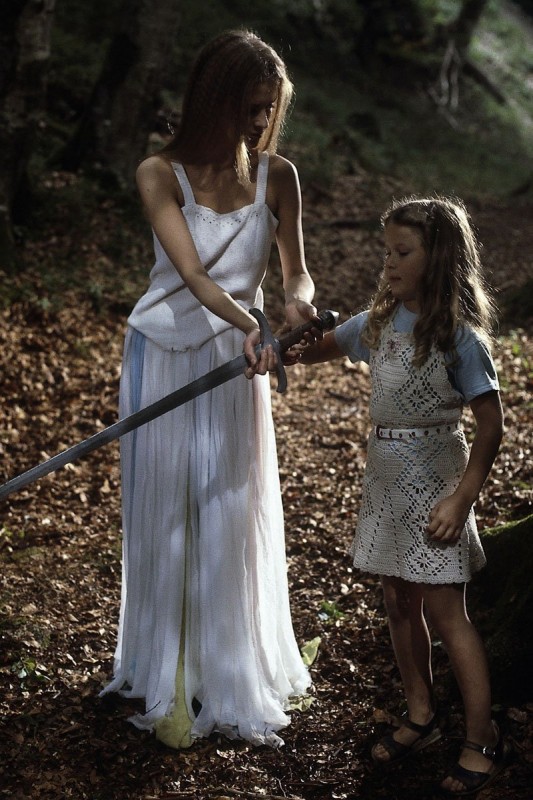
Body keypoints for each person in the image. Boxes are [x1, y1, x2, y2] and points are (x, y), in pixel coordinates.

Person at [100, 28, 318, 749]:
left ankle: (223, 667)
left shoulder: (279, 176)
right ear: (213, 100)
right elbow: (193, 275)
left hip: (236, 361)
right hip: (164, 353)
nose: (260, 122)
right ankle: (167, 674)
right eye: (250, 107)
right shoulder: (159, 173)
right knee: (169, 512)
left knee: (225, 506)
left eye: (269, 108)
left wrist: (296, 304)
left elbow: (295, 270)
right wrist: (255, 323)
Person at [301, 196, 508, 796]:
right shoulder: (377, 322)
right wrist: (284, 344)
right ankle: (421, 713)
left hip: (437, 477)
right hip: (386, 476)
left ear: (437, 258)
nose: (388, 263)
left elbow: (491, 427)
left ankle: (482, 738)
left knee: (446, 612)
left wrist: (461, 500)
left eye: (402, 252)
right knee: (397, 600)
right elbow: (318, 348)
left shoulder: (460, 338)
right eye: (386, 251)